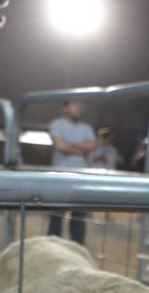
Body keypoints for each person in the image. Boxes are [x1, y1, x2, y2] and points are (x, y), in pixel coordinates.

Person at [48, 100, 96, 244]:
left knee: (79, 215)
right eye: (75, 105)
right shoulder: (57, 124)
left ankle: (77, 247)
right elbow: (60, 146)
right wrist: (81, 148)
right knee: (56, 214)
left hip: (81, 176)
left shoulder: (86, 127)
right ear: (65, 107)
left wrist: (69, 144)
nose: (78, 108)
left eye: (80, 105)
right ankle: (53, 246)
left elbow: (92, 146)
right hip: (60, 175)